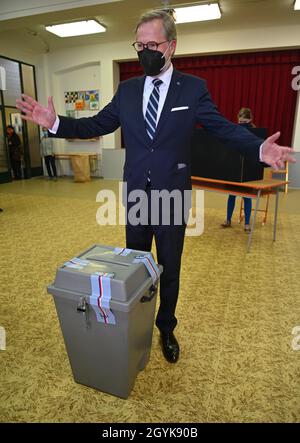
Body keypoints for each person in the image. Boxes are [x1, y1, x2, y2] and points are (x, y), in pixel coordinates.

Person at [16, 9, 295, 364]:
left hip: (172, 195)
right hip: (136, 195)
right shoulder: (129, 90)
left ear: (172, 46)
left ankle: (166, 327)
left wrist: (258, 147)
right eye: (140, 44)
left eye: (153, 44)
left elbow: (222, 128)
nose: (145, 51)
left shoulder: (193, 89)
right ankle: (137, 323)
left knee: (169, 268)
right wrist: (55, 122)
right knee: (135, 266)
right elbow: (96, 124)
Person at [221, 108, 256, 233]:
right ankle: (228, 220)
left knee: (247, 197)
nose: (242, 124)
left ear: (250, 120)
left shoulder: (254, 132)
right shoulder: (235, 130)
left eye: (245, 122)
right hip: (235, 169)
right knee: (232, 195)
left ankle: (247, 224)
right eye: (240, 122)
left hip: (247, 170)